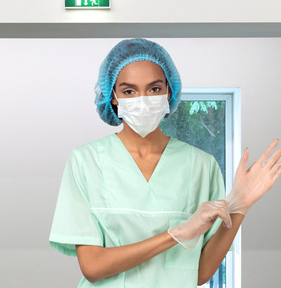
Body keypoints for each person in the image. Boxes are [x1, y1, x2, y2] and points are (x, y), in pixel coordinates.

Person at [49, 38, 281, 288]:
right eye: (129, 91)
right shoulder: (86, 161)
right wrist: (176, 234)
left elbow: (200, 273)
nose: (143, 99)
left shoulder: (201, 166)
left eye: (154, 89)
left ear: (169, 91)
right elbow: (93, 267)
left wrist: (240, 205)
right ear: (113, 96)